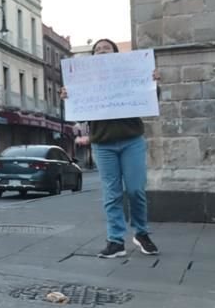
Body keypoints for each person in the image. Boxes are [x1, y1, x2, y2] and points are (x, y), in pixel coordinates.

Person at [61, 38, 160, 259]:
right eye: (97, 49)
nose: (101, 51)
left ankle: (141, 233)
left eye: (107, 48)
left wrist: (153, 82)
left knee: (136, 189)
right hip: (103, 144)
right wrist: (69, 97)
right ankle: (115, 241)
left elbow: (151, 99)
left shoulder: (131, 73)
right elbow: (79, 113)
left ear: (116, 53)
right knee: (112, 193)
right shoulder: (85, 83)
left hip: (131, 140)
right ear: (93, 56)